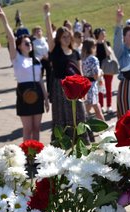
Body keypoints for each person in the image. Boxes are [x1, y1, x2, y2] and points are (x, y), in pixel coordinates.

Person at [0, 5, 49, 141]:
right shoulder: (16, 58)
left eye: (30, 43)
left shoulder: (36, 60)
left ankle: (36, 155)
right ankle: (27, 155)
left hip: (37, 92)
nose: (29, 45)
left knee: (37, 128)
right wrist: (4, 20)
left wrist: (46, 98)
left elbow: (40, 80)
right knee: (27, 129)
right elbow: (10, 38)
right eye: (26, 43)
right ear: (20, 46)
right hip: (23, 92)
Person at [43, 3, 93, 143]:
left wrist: (85, 89)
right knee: (61, 116)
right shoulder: (55, 50)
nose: (66, 39)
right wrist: (47, 15)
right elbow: (48, 32)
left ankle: (81, 142)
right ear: (59, 38)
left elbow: (80, 72)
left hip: (75, 87)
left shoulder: (75, 52)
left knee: (79, 114)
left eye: (68, 36)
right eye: (63, 37)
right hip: (60, 87)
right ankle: (63, 143)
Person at [81, 38, 105, 121]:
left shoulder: (83, 59)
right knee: (88, 110)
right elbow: (95, 76)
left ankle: (105, 125)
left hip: (85, 85)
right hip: (92, 86)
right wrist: (101, 73)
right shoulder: (93, 59)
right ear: (92, 47)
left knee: (95, 107)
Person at [94, 28, 114, 114]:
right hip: (99, 69)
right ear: (98, 35)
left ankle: (109, 106)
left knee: (109, 88)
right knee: (100, 88)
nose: (104, 35)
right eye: (102, 34)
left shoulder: (107, 43)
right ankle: (101, 106)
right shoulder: (94, 45)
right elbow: (94, 55)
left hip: (108, 68)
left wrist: (105, 43)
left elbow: (109, 53)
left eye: (105, 34)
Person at [31, 26, 51, 99]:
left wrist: (48, 56)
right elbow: (33, 53)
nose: (39, 33)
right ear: (34, 33)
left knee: (49, 76)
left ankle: (49, 92)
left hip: (47, 60)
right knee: (40, 77)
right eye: (37, 31)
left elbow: (48, 49)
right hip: (39, 61)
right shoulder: (33, 42)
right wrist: (41, 56)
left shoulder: (45, 39)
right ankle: (41, 92)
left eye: (40, 31)